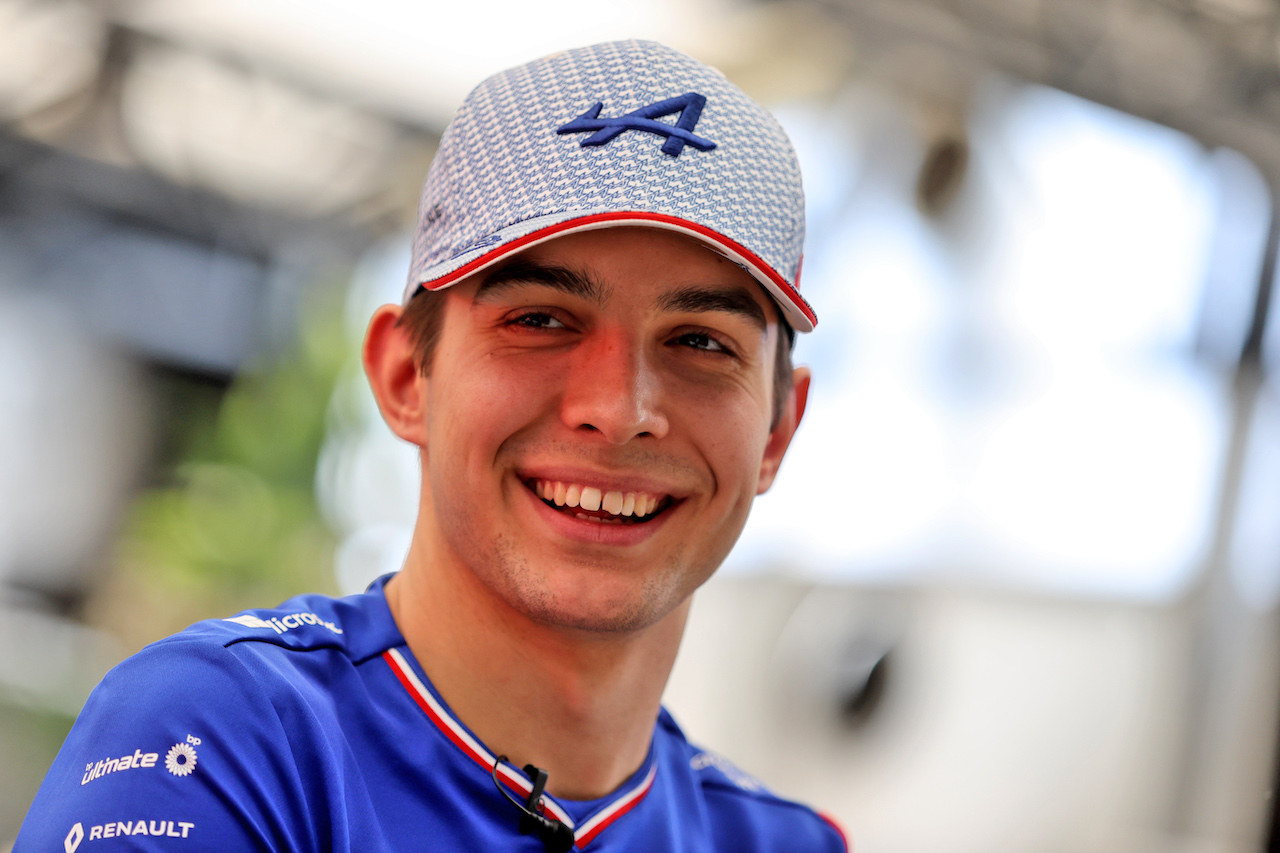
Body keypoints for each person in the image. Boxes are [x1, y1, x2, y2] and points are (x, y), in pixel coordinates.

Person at [15, 40, 845, 852]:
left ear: (778, 429)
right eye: (541, 320)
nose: (618, 409)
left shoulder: (784, 840)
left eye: (699, 342)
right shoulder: (223, 739)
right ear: (407, 375)